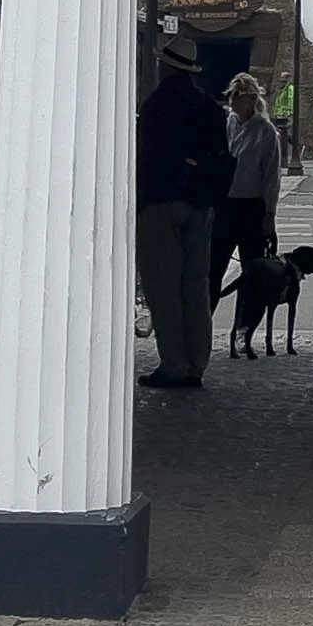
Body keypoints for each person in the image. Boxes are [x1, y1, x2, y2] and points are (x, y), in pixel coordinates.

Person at [133, 35, 229, 388]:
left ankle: (173, 362)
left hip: (160, 202)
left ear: (165, 65)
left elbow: (145, 158)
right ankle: (197, 361)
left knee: (164, 287)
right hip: (201, 204)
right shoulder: (209, 107)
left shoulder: (157, 105)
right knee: (195, 285)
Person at [211, 71, 282, 309]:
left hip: (251, 205)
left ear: (252, 99)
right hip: (224, 204)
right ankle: (204, 326)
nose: (232, 100)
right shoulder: (225, 123)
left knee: (252, 271)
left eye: (238, 96)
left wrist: (269, 215)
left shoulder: (265, 131)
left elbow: (271, 177)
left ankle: (244, 328)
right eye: (232, 95)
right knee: (213, 267)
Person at [271, 73, 298, 170]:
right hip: (279, 115)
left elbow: (291, 101)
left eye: (283, 81)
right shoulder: (281, 89)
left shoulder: (289, 88)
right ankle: (294, 147)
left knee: (284, 135)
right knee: (282, 135)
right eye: (280, 80)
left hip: (285, 116)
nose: (281, 82)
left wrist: (290, 114)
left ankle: (289, 155)